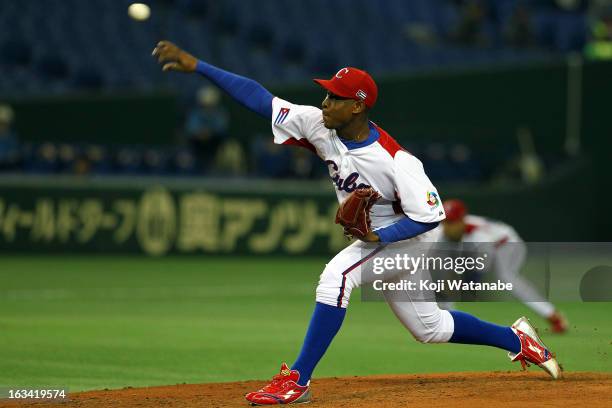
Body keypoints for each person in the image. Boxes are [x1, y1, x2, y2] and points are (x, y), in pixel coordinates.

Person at [152, 41, 562, 405]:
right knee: (429, 327)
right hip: (382, 239)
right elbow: (261, 99)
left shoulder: (396, 161)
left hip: (407, 235)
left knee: (336, 277)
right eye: (327, 94)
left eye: (334, 97)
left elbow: (430, 216)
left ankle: (296, 381)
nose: (325, 102)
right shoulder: (319, 124)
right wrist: (200, 66)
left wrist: (378, 235)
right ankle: (518, 340)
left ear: (357, 106)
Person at [441, 199, 569, 333]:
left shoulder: (479, 235)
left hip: (507, 243)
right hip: (487, 249)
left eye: (452, 222)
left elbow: (480, 267)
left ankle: (552, 316)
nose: (448, 227)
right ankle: (448, 318)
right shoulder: (441, 232)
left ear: (462, 220)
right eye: (445, 222)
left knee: (507, 278)